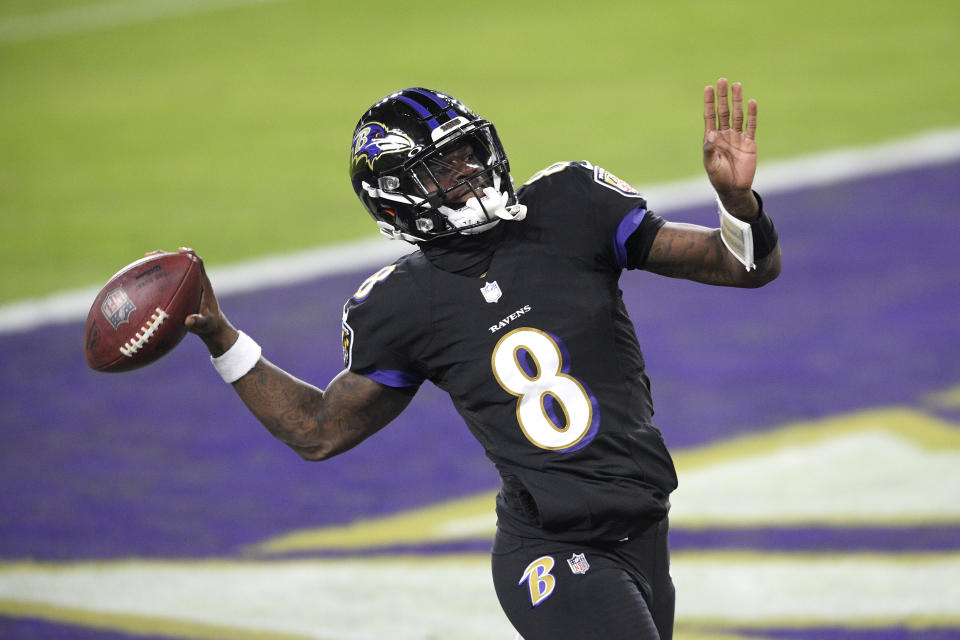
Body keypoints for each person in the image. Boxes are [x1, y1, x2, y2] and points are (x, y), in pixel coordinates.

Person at [183, 79, 781, 640]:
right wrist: (222, 337)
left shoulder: (570, 204)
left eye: (468, 152)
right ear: (397, 200)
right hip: (549, 545)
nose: (469, 170)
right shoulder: (400, 304)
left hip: (645, 524)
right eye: (442, 167)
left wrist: (738, 204)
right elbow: (318, 431)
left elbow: (742, 268)